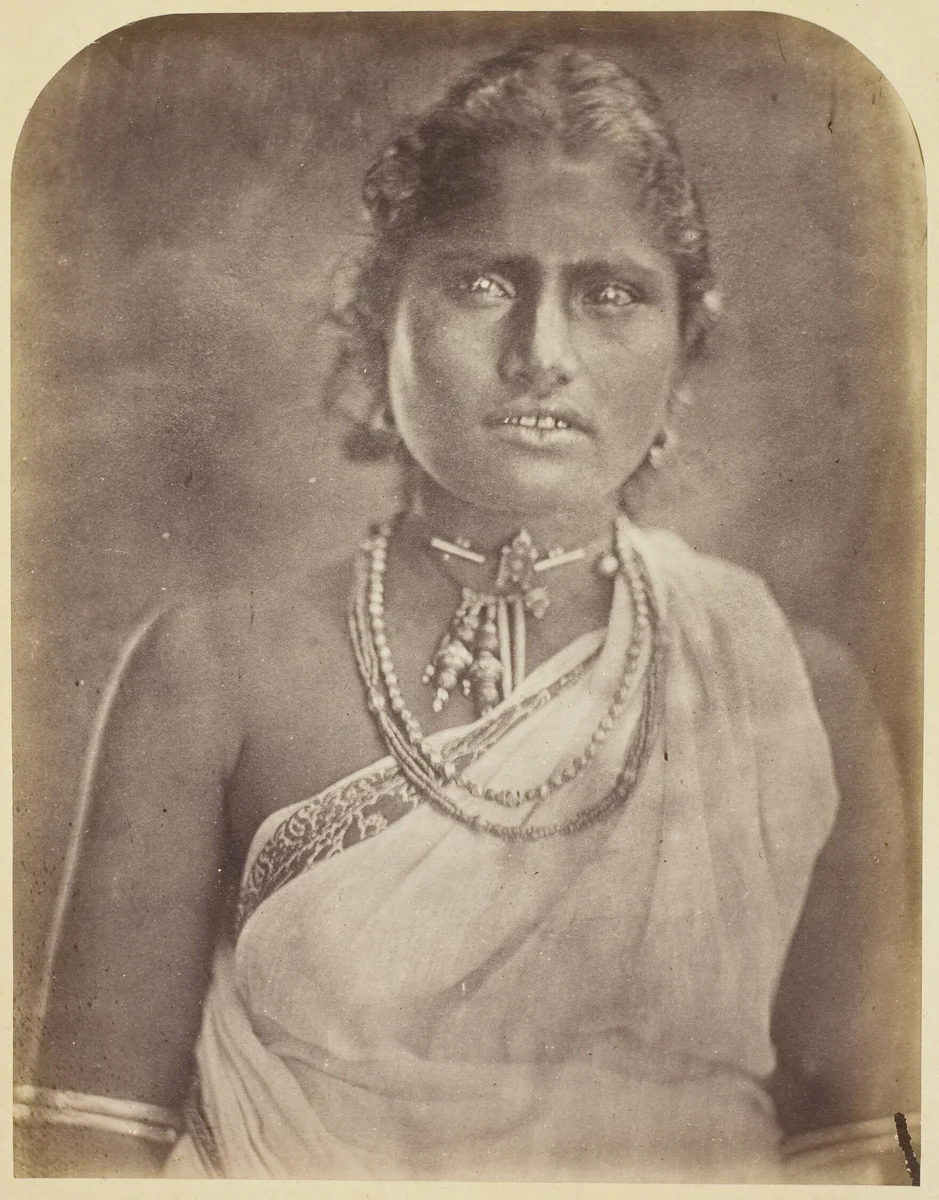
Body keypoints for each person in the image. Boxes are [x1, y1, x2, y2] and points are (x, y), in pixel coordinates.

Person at [15, 43, 919, 1183]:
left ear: (684, 345)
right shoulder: (211, 671)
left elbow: (864, 1155)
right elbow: (81, 1148)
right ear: (380, 316)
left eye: (611, 295)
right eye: (482, 283)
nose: (541, 356)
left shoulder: (802, 694)